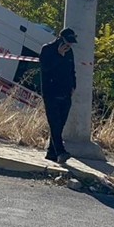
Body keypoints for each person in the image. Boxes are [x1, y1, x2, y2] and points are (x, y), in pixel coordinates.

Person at [39, 28, 79, 164]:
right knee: (54, 123)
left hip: (66, 92)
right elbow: (45, 68)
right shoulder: (47, 49)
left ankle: (52, 153)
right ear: (60, 39)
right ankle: (61, 152)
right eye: (68, 42)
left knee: (60, 124)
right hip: (51, 92)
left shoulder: (70, 52)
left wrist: (74, 85)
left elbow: (72, 70)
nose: (69, 46)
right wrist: (58, 55)